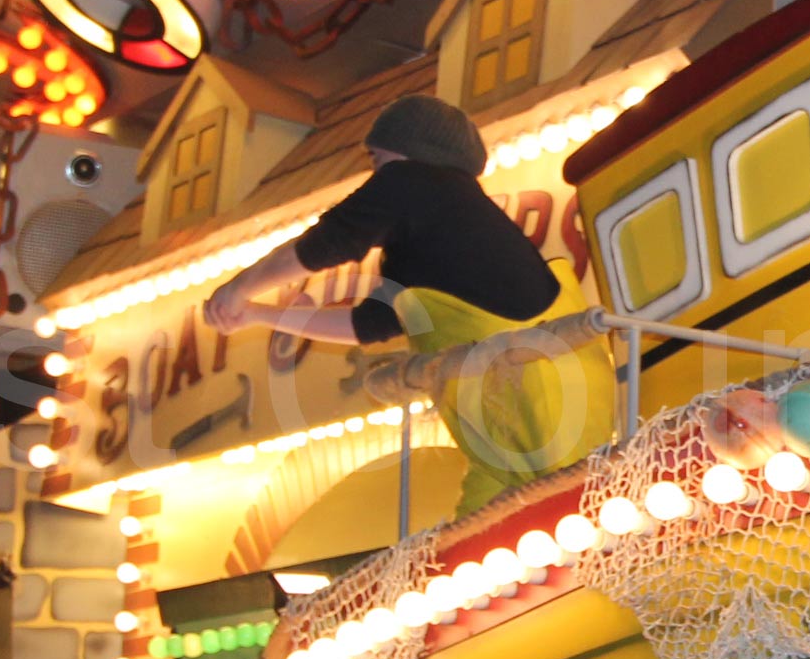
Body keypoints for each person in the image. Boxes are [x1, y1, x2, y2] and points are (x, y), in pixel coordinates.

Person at [201, 94, 613, 511]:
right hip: (540, 418)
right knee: (482, 537)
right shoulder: (446, 231)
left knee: (498, 533)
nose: (373, 167)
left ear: (408, 150)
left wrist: (240, 288)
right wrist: (258, 314)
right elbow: (366, 325)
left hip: (525, 407)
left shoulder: (411, 182)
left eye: (376, 156)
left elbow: (325, 243)